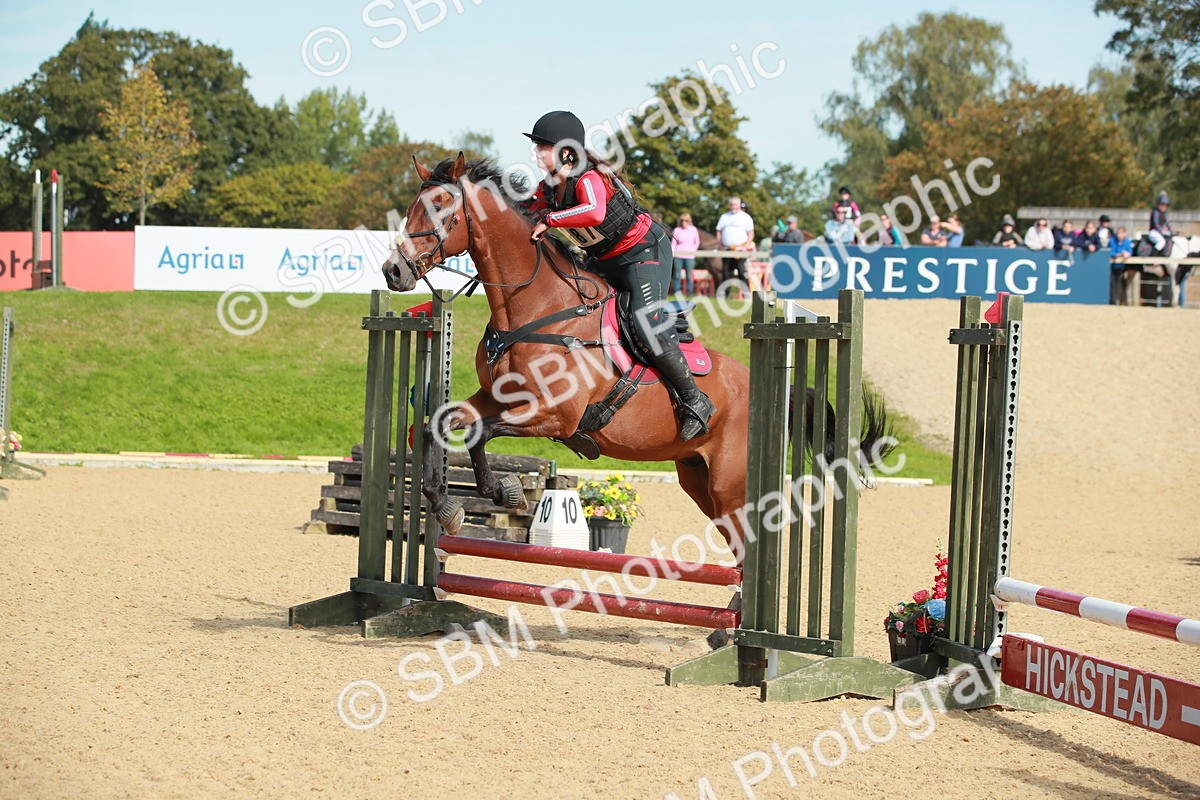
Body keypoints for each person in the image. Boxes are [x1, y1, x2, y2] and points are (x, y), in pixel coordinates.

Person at [524, 110, 714, 441]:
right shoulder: (549, 187)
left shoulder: (588, 178)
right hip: (604, 259)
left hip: (643, 253)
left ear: (566, 151)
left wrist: (551, 221)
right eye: (537, 145)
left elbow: (595, 211)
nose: (536, 152)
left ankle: (695, 400)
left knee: (644, 322)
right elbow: (522, 210)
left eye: (543, 145)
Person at [715, 197, 755, 285]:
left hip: (741, 249)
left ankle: (746, 294)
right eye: (732, 205)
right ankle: (725, 294)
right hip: (727, 248)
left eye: (735, 204)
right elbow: (718, 231)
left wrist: (745, 246)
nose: (733, 207)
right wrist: (720, 245)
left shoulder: (746, 217)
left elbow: (751, 234)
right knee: (726, 272)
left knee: (742, 271)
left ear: (739, 205)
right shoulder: (724, 217)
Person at [670, 212, 700, 296]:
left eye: (686, 220)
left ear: (689, 221)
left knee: (689, 275)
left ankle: (689, 291)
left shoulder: (693, 229)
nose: (684, 222)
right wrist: (672, 254)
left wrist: (693, 252)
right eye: (682, 220)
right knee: (677, 275)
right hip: (678, 255)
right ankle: (677, 291)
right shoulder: (677, 230)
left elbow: (696, 242)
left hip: (689, 256)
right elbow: (673, 243)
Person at [1109, 226, 1136, 305]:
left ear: (1125, 234)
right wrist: (1117, 254)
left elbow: (1129, 251)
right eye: (1118, 233)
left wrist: (1127, 254)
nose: (1119, 235)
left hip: (1122, 267)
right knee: (1112, 284)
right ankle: (1113, 302)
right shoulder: (1112, 240)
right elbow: (1110, 251)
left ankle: (1121, 301)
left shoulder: (1127, 241)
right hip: (1112, 266)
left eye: (1121, 233)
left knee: (1121, 284)